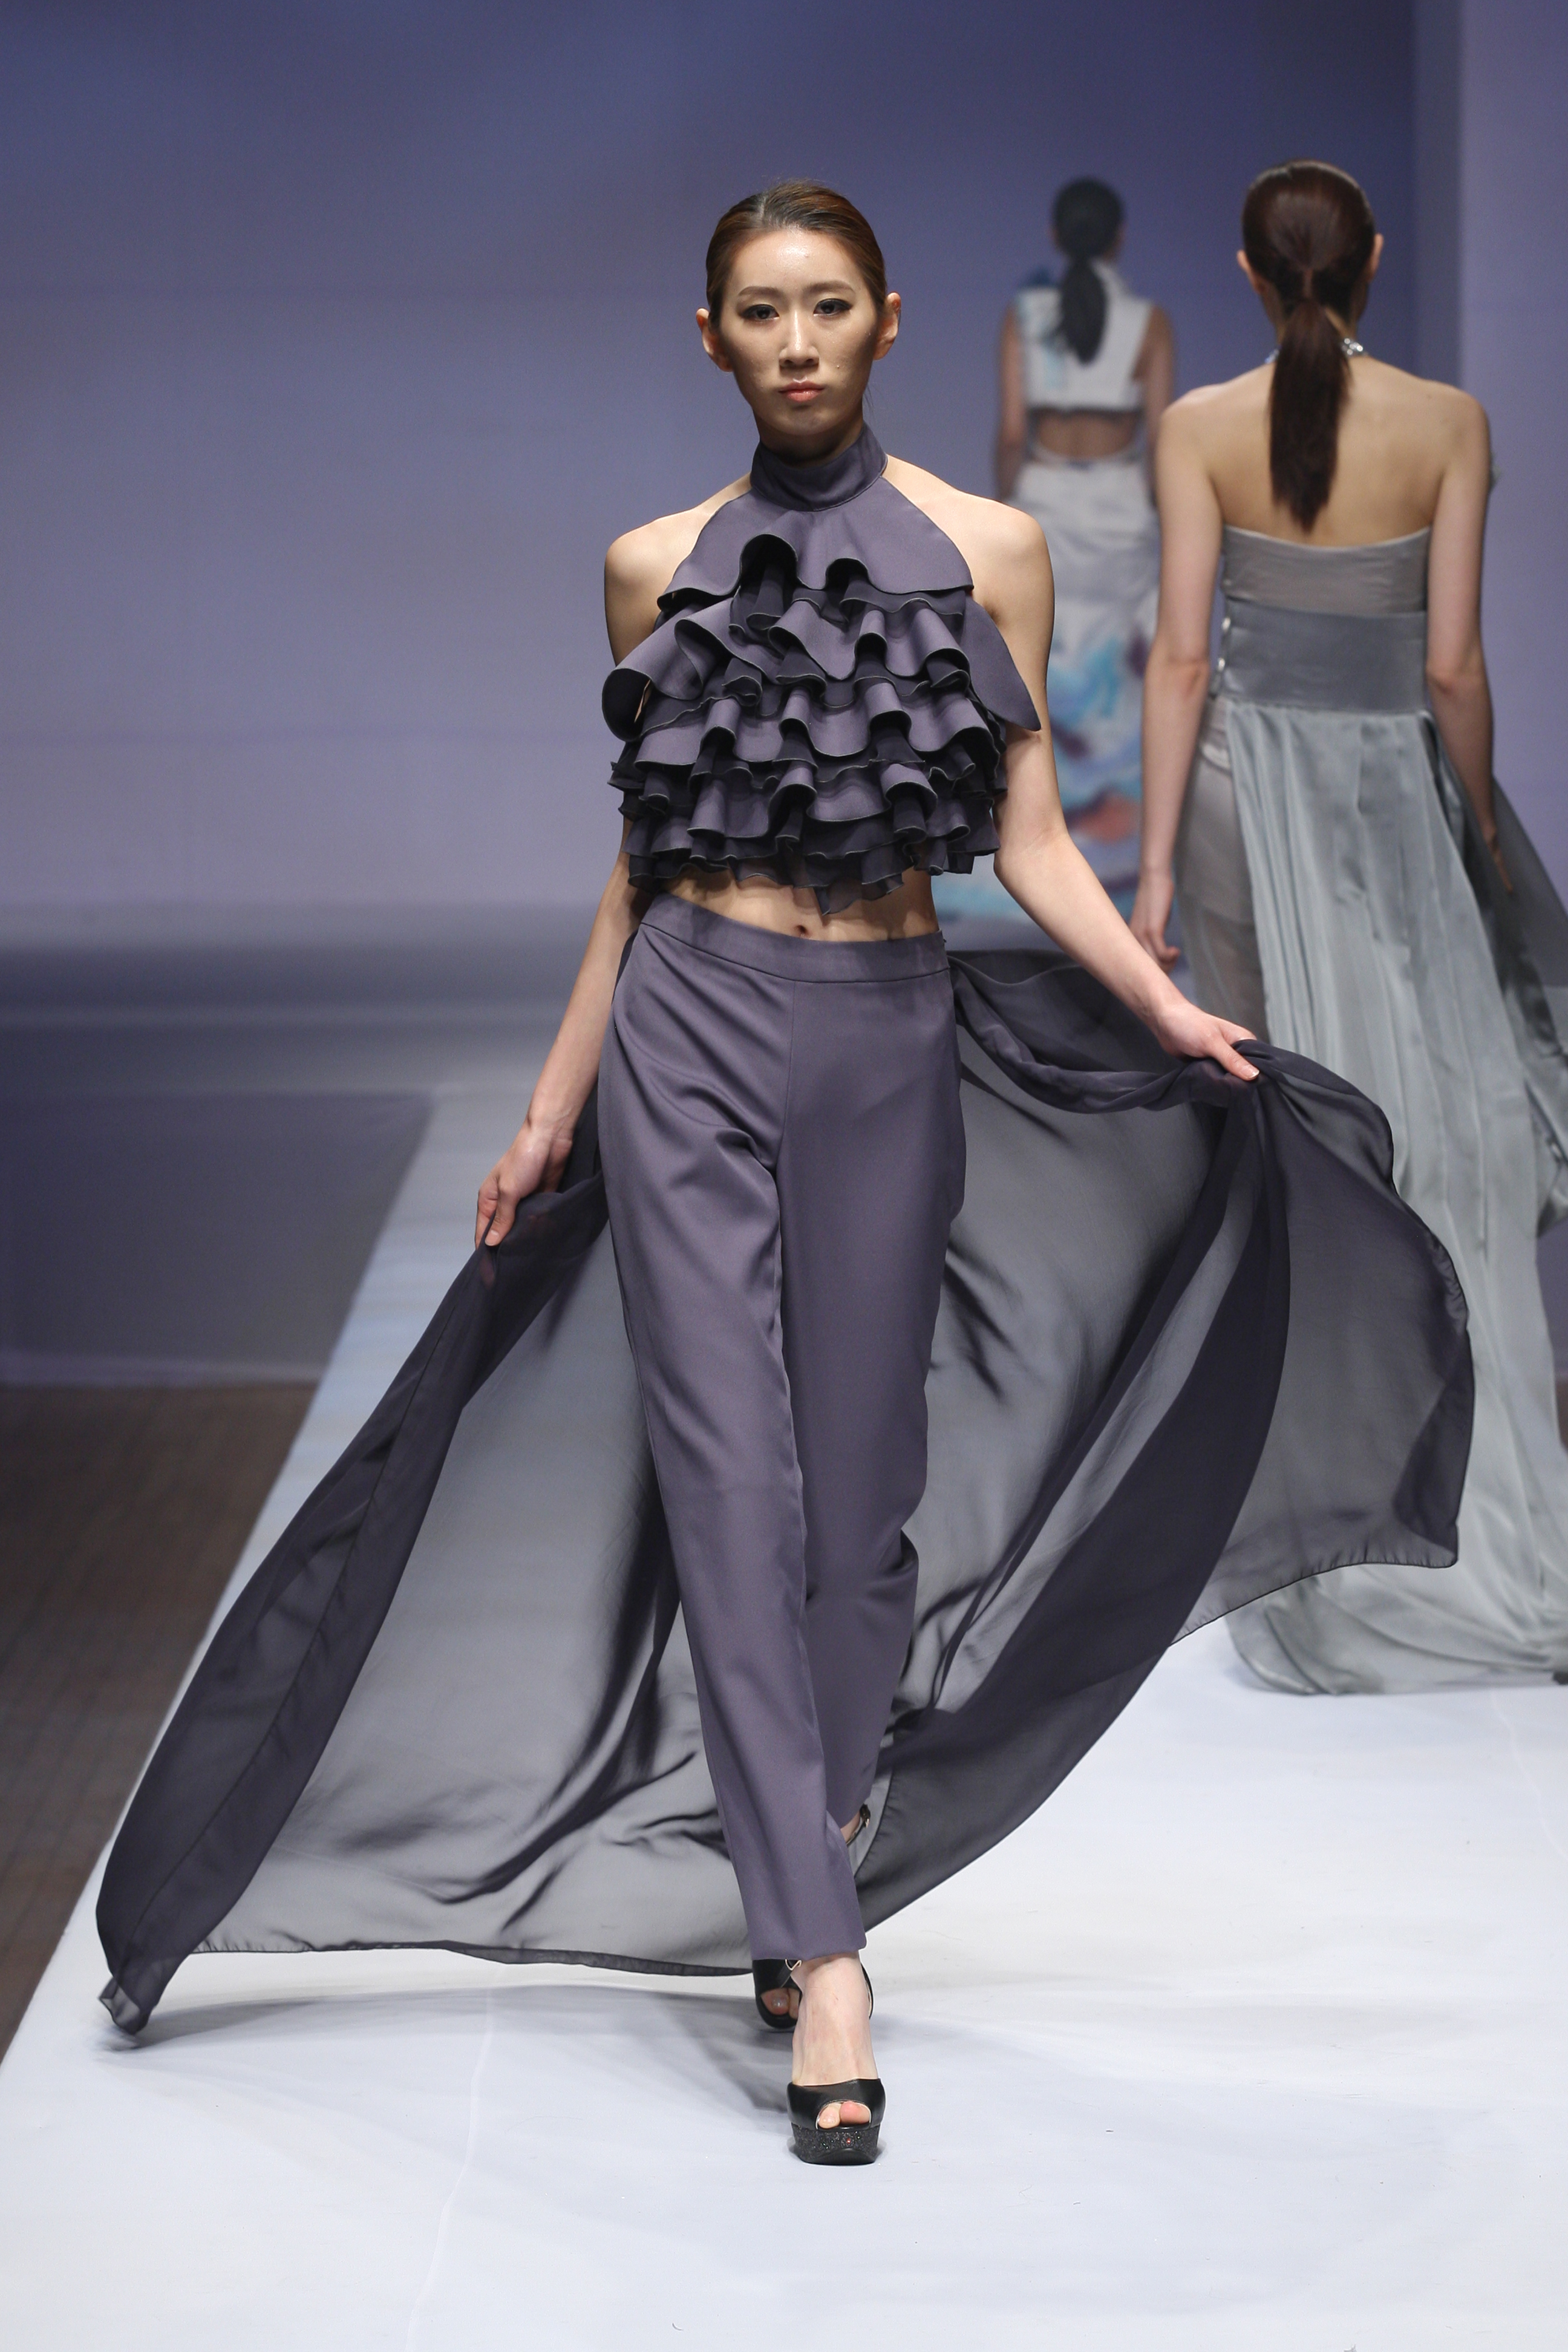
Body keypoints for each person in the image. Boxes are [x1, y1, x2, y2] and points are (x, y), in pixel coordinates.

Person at [97, 183, 1473, 2167]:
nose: (799, 340)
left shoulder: (994, 552)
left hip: (887, 1033)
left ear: (891, 321)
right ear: (711, 338)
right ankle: (823, 1953)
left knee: (863, 1501)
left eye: (829, 305)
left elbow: (1032, 839)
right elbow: (641, 861)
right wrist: (553, 1105)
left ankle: (809, 1836)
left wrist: (1167, 1007)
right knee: (732, 1487)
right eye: (761, 310)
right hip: (690, 1030)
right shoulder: (649, 567)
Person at [1132, 158, 1568, 1694]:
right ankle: (1476, 1491)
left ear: (1248, 277)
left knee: (1297, 1132)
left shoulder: (1199, 428)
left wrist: (1151, 878)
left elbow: (1182, 661)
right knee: (1448, 1115)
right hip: (1393, 782)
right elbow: (1452, 668)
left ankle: (1320, 1522)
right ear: (1374, 261)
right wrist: (1479, 824)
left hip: (1242, 797)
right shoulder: (1450, 423)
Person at [959, 178, 1173, 921]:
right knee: (1123, 674)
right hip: (1121, 510)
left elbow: (1013, 432)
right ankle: (1120, 873)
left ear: (1055, 236)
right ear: (1120, 238)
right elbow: (1161, 439)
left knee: (1039, 670)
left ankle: (1037, 855)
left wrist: (1005, 508)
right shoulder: (1149, 322)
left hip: (1044, 500)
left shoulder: (1025, 316)